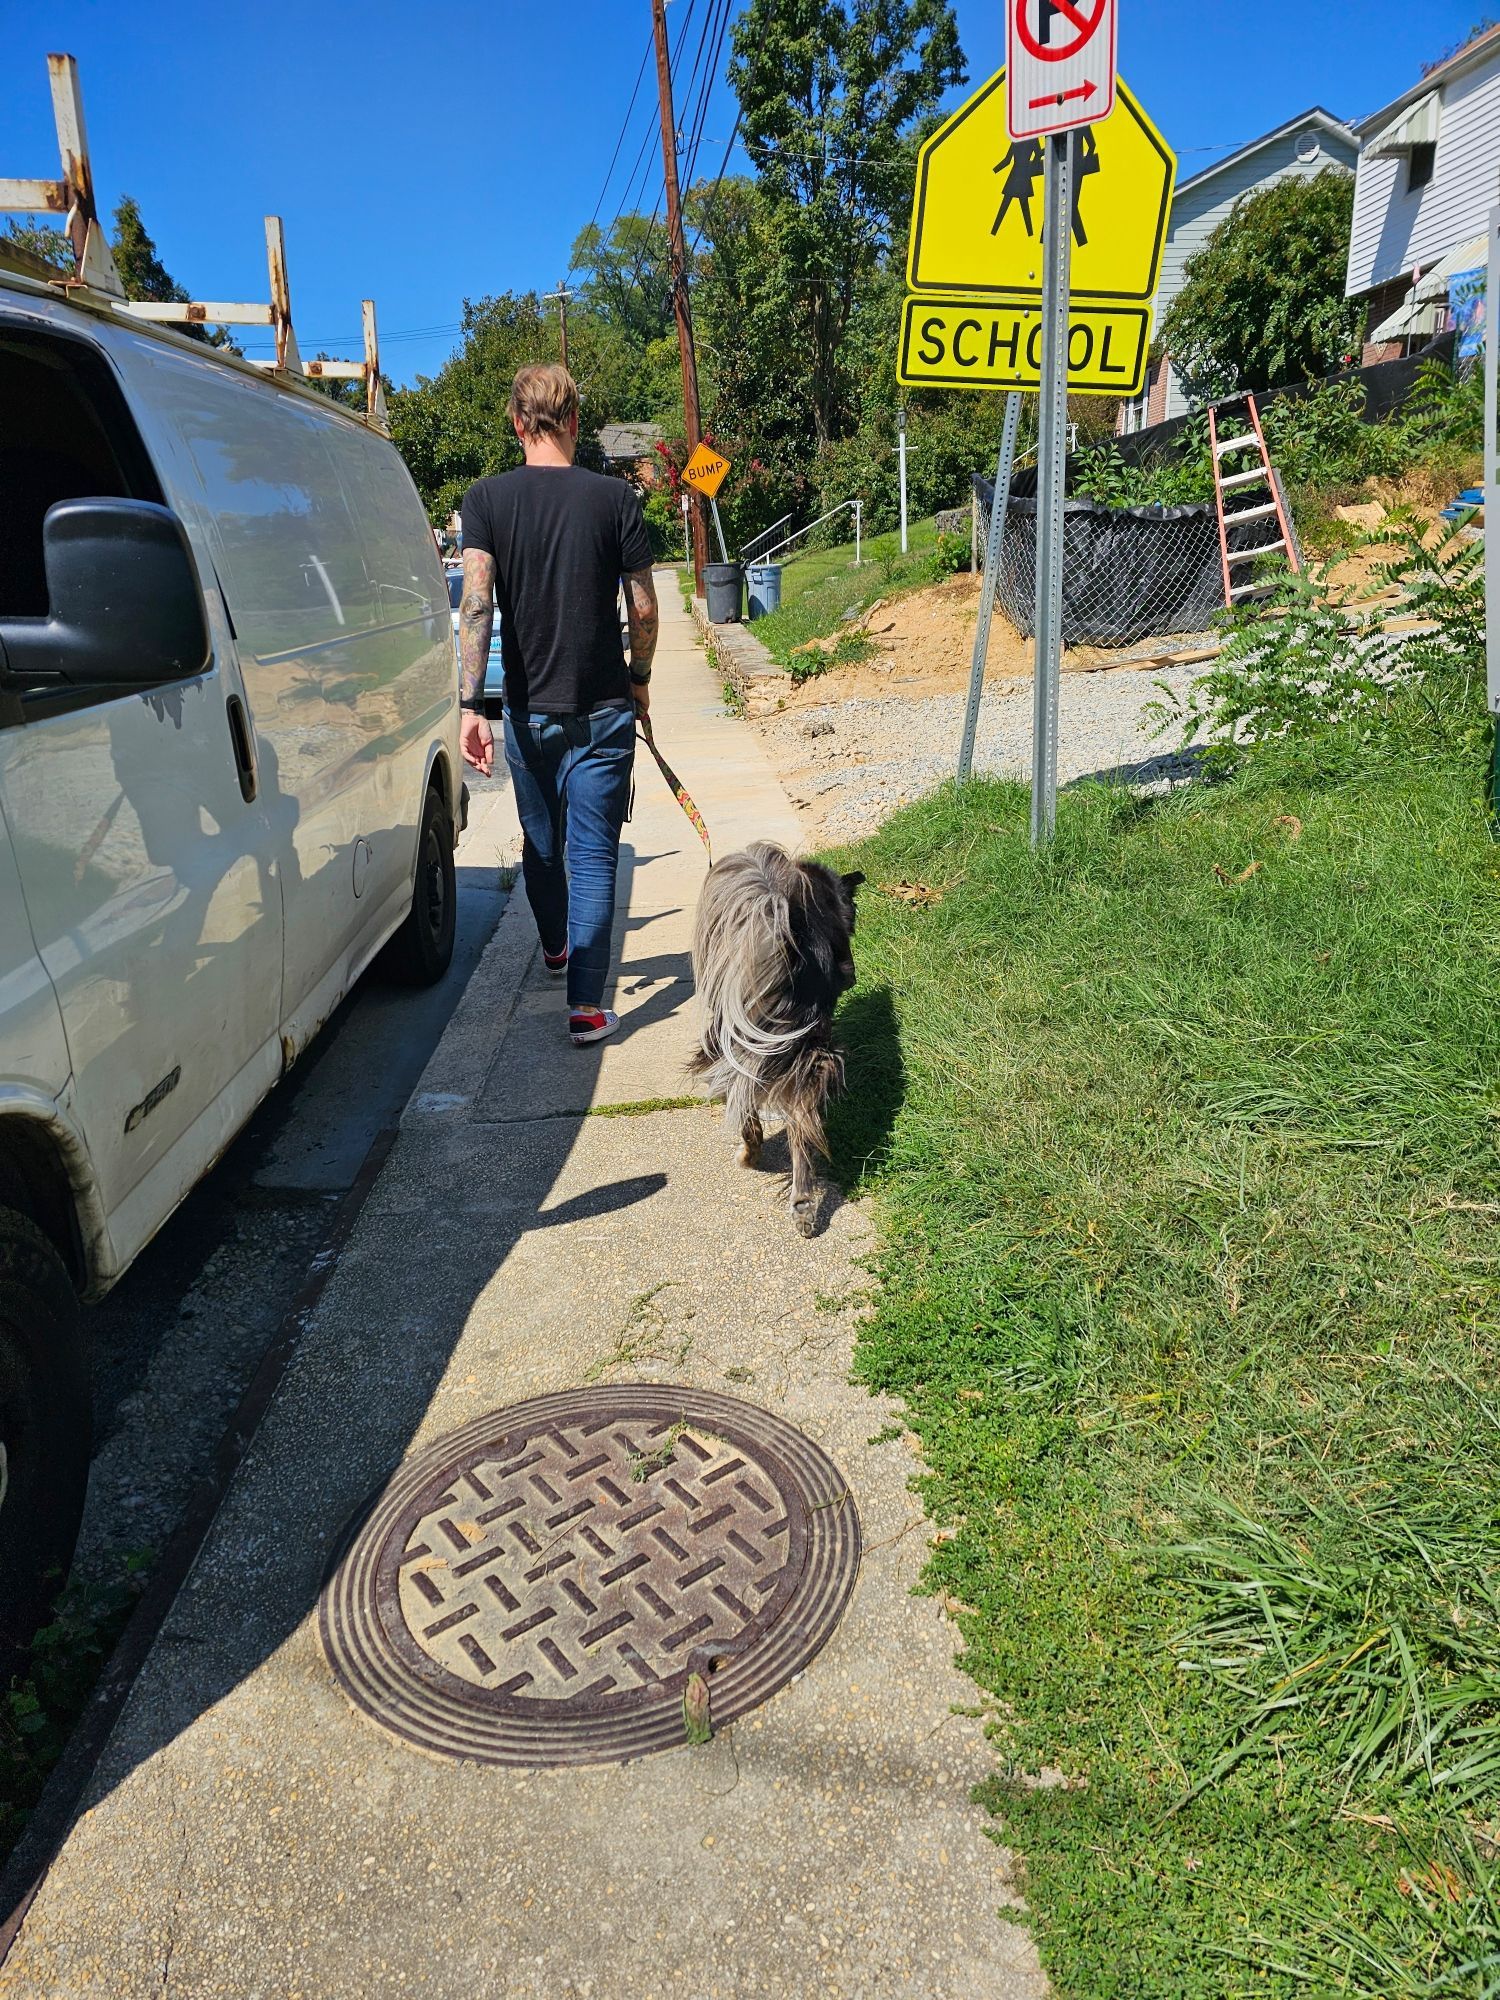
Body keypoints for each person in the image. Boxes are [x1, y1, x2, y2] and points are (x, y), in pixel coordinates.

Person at [458, 363, 658, 1046]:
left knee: (543, 850)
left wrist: (468, 706)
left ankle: (553, 948)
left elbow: (476, 603)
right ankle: (585, 1009)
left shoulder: (485, 499)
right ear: (573, 421)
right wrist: (641, 677)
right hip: (604, 707)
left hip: (524, 711)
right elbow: (645, 606)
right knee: (595, 855)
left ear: (518, 423)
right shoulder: (615, 499)